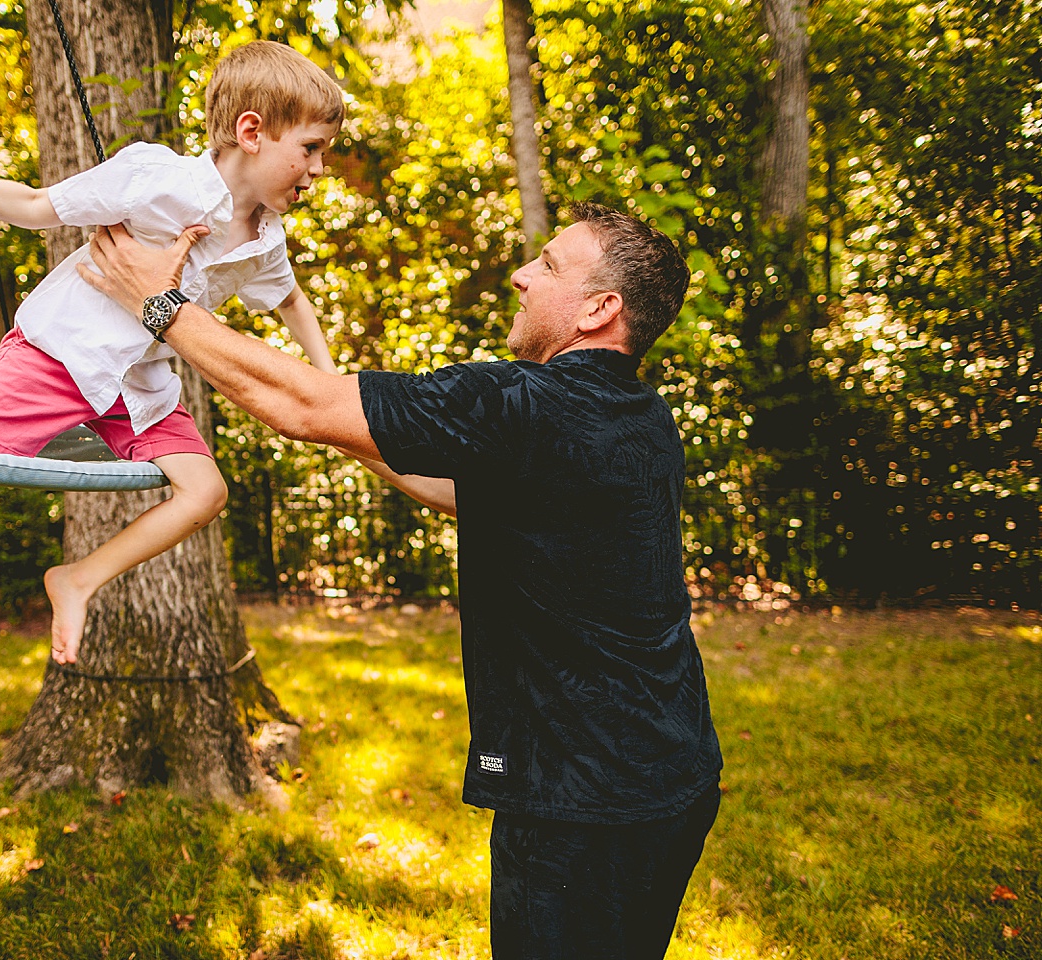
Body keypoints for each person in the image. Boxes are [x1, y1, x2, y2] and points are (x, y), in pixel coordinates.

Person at [77, 202, 725, 959]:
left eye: (548, 265)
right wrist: (360, 431)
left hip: (584, 803)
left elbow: (297, 404)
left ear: (599, 308)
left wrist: (158, 305)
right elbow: (454, 486)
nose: (521, 275)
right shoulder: (635, 412)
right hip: (671, 773)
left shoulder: (526, 404)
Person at [0, 41, 343, 665]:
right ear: (252, 132)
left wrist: (332, 383)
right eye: (311, 148)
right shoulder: (156, 178)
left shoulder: (264, 236)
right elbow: (29, 205)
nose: (321, 168)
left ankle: (75, 579)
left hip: (138, 384)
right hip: (61, 354)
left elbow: (291, 300)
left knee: (205, 493)